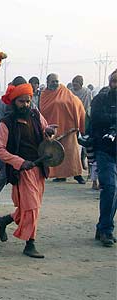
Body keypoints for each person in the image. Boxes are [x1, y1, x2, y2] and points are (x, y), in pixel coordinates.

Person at [0, 80, 55, 258]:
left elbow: (46, 132)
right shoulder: (7, 123)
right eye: (21, 101)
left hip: (39, 168)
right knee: (32, 207)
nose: (25, 104)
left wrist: (50, 132)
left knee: (29, 208)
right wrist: (19, 162)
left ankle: (4, 220)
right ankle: (30, 243)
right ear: (14, 102)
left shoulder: (36, 115)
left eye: (28, 101)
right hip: (21, 171)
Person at [0, 76, 34, 208]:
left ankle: (22, 205)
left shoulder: (28, 102)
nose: (25, 104)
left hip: (26, 146)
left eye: (27, 101)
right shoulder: (3, 104)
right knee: (4, 174)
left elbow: (35, 120)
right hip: (9, 147)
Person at [39, 73, 86, 184]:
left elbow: (76, 103)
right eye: (53, 81)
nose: (55, 83)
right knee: (56, 153)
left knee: (72, 153)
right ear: (48, 82)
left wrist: (76, 116)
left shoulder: (64, 91)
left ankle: (77, 174)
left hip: (68, 127)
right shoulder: (44, 95)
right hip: (53, 130)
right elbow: (43, 110)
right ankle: (60, 176)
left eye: (56, 81)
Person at [90, 69, 117, 247]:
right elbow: (97, 120)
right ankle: (106, 230)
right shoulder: (100, 100)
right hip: (105, 149)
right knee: (110, 188)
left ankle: (103, 227)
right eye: (114, 82)